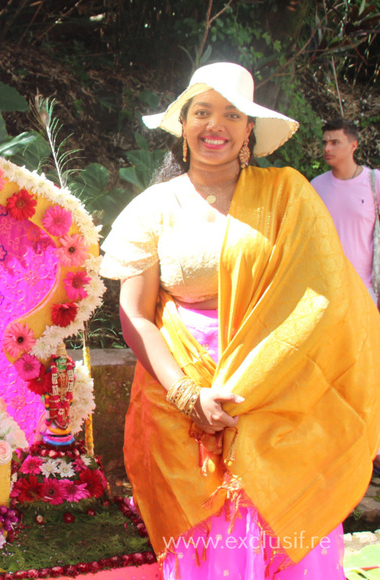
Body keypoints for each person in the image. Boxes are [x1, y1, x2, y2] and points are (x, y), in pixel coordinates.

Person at [100, 61, 380, 578]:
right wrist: (188, 395)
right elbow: (136, 316)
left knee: (286, 530)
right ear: (183, 123)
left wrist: (270, 377)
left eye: (232, 114)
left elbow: (326, 298)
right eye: (202, 111)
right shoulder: (152, 209)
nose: (216, 126)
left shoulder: (288, 195)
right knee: (215, 543)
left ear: (250, 129)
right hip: (180, 399)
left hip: (281, 398)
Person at [311, 119, 380, 308]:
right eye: (325, 142)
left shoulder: (374, 182)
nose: (327, 148)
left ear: (353, 145)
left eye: (335, 143)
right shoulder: (316, 186)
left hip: (364, 289)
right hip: (326, 288)